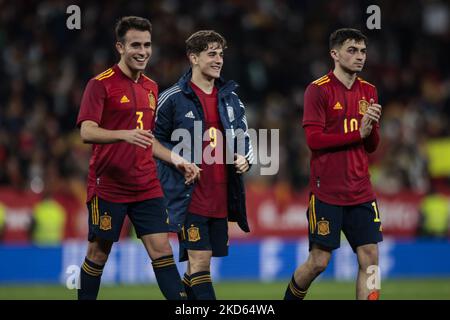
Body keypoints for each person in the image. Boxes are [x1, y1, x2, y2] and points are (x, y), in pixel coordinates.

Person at [76, 16, 200, 300]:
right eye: (135, 45)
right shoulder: (100, 84)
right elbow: (87, 131)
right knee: (98, 253)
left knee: (162, 249)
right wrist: (123, 134)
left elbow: (147, 140)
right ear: (120, 47)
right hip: (109, 185)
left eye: (147, 45)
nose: (142, 51)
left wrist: (177, 159)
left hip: (146, 184)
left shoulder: (151, 88)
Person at [284, 28, 383, 300]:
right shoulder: (317, 91)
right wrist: (358, 133)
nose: (359, 56)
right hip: (327, 190)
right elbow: (314, 140)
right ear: (335, 54)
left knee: (370, 257)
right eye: (352, 50)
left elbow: (371, 145)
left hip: (361, 190)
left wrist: (371, 127)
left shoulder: (369, 91)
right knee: (319, 261)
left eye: (363, 51)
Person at [154, 30, 253, 300]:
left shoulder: (232, 99)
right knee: (199, 263)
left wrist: (245, 158)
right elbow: (151, 140)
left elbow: (245, 137)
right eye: (212, 54)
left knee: (201, 265)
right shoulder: (172, 98)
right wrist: (178, 158)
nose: (219, 59)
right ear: (193, 58)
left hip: (220, 194)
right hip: (189, 195)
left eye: (221, 54)